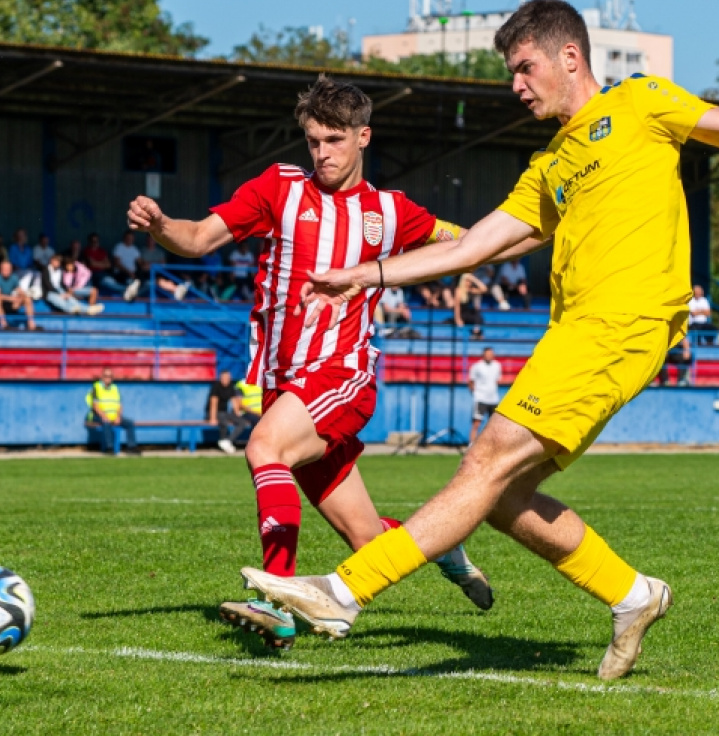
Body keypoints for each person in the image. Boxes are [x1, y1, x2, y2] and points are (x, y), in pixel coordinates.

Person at [243, 0, 719, 680]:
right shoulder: (549, 165)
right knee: (503, 498)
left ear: (570, 57)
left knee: (485, 458)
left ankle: (341, 593)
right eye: (512, 71)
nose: (516, 84)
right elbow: (475, 246)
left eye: (524, 67)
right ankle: (633, 595)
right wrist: (369, 273)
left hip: (625, 321)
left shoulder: (644, 101)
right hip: (574, 330)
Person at [126, 76, 534, 649]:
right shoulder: (279, 189)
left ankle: (277, 601)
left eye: (334, 140)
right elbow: (196, 240)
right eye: (313, 140)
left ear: (363, 137)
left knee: (263, 447)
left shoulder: (391, 213)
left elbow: (476, 242)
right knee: (368, 540)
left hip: (342, 374)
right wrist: (162, 225)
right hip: (285, 383)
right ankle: (442, 547)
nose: (322, 153)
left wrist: (550, 237)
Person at [86, 368, 140, 454]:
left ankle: (131, 447)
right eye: (106, 376)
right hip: (99, 416)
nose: (108, 378)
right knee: (106, 422)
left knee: (130, 423)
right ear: (102, 377)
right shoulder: (97, 387)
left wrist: (118, 417)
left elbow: (120, 405)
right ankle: (109, 447)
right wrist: (104, 416)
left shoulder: (115, 388)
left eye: (110, 376)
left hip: (114, 416)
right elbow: (95, 406)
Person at [206, 369, 251, 455]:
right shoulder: (216, 387)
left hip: (224, 412)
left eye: (228, 378)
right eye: (224, 377)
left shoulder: (230, 386)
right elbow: (213, 403)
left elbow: (234, 400)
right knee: (224, 422)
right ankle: (223, 441)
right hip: (214, 412)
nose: (226, 379)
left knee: (242, 422)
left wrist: (237, 413)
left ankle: (227, 441)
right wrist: (212, 418)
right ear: (221, 378)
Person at [468, 347, 502, 444]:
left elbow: (497, 380)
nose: (489, 356)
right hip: (481, 398)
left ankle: (493, 445)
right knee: (476, 423)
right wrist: (476, 394)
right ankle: (471, 445)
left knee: (494, 425)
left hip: (493, 399)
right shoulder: (477, 366)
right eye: (487, 354)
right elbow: (471, 381)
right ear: (483, 355)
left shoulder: (497, 365)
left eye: (491, 354)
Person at [0, 259, 37, 330]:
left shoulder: (14, 277)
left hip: (10, 303)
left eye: (9, 269)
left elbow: (20, 290)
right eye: (5, 269)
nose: (7, 270)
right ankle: (4, 324)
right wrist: (12, 298)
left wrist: (21, 298)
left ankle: (31, 323)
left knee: (27, 299)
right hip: (2, 304)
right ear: (1, 269)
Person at [453, 272, 487, 339]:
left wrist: (474, 278)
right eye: (467, 280)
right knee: (475, 315)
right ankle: (476, 333)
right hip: (462, 314)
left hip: (470, 314)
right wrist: (458, 319)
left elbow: (484, 289)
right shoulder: (458, 290)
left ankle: (476, 332)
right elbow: (457, 306)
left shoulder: (471, 290)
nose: (468, 282)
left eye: (469, 281)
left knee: (478, 314)